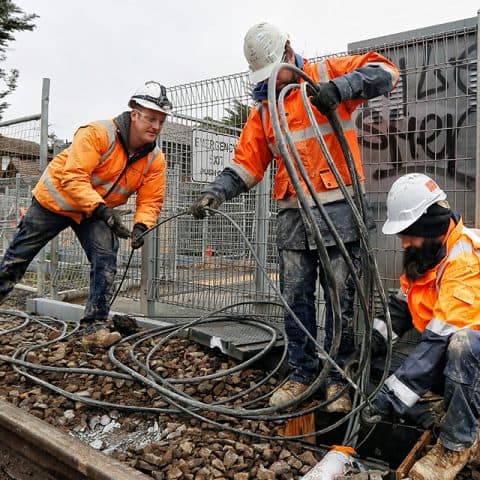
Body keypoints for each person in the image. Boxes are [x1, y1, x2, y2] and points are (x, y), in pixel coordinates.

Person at [189, 22, 399, 409]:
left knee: (342, 299)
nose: (272, 80)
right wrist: (215, 193)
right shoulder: (264, 111)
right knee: (295, 297)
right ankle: (300, 372)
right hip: (293, 218)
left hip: (340, 213)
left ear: (289, 51)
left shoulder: (323, 76)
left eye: (275, 71)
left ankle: (340, 376)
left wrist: (343, 89)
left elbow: (386, 70)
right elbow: (247, 165)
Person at [0, 81, 172, 349]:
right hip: (54, 202)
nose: (156, 127)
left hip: (94, 211)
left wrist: (141, 226)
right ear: (134, 113)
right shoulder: (98, 133)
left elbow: (151, 200)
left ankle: (94, 327)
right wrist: (104, 211)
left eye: (161, 121)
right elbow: (73, 178)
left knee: (106, 258)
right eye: (151, 118)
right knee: (17, 259)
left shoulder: (155, 159)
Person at [363, 173, 480, 480]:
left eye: (408, 233)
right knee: (377, 364)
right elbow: (401, 309)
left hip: (470, 363)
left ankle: (457, 444)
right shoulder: (426, 256)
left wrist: (390, 399)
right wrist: (371, 344)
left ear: (428, 226)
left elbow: (440, 340)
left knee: (462, 344)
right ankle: (436, 415)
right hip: (451, 367)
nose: (403, 242)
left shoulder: (465, 260)